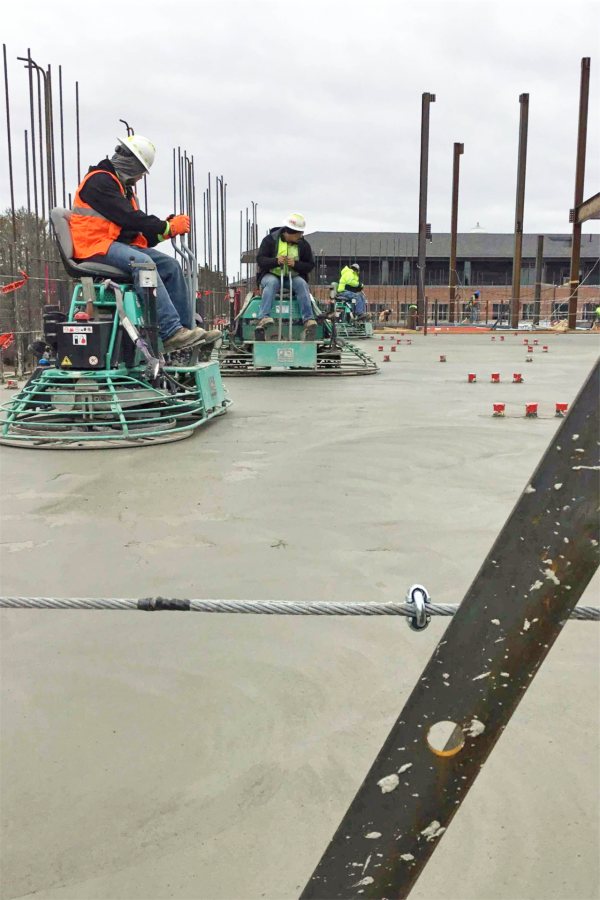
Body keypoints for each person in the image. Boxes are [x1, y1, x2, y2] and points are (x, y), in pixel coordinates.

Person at [69, 134, 220, 352]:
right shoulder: (99, 181)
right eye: (141, 172)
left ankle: (187, 333)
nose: (140, 178)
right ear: (132, 164)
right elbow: (129, 217)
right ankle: (170, 332)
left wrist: (163, 232)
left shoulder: (122, 187)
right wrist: (165, 227)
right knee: (143, 264)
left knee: (171, 266)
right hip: (93, 246)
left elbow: (133, 230)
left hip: (113, 245)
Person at [255, 214, 317, 337]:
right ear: (290, 233)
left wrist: (295, 264)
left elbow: (310, 265)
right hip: (271, 274)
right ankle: (263, 317)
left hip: (291, 276)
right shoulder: (270, 240)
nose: (301, 236)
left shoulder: (303, 245)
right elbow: (260, 260)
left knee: (302, 284)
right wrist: (275, 261)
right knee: (272, 283)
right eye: (299, 234)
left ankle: (308, 319)